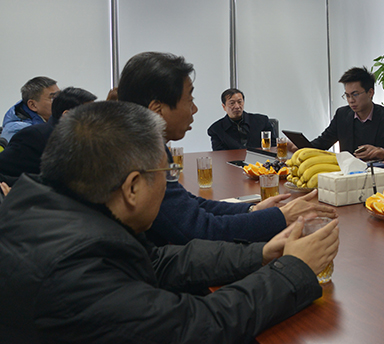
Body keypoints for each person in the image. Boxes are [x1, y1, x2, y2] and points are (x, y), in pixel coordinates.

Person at [0, 101, 338, 342]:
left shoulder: (53, 212)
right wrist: (293, 271)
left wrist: (262, 253)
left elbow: (157, 261)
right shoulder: (73, 272)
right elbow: (197, 326)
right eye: (167, 172)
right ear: (132, 187)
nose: (170, 184)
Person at [117, 52, 335, 245]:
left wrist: (252, 209)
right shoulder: (143, 158)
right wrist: (280, 218)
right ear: (157, 109)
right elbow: (200, 229)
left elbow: (191, 205)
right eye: (189, 99)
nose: (195, 108)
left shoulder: (142, 144)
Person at [0, 87, 96, 185]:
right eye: (89, 114)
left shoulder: (84, 138)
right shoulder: (33, 136)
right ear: (67, 115)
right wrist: (37, 187)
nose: (95, 119)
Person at [310, 66, 384, 161]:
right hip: (348, 171)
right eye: (347, 95)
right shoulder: (342, 115)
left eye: (355, 94)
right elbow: (321, 143)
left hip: (378, 170)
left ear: (370, 93)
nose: (351, 100)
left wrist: (381, 152)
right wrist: (301, 148)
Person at [208, 88, 276, 150]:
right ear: (224, 106)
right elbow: (220, 154)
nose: (237, 106)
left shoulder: (262, 121)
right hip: (232, 159)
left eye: (240, 102)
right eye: (232, 103)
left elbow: (273, 147)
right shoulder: (216, 129)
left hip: (260, 159)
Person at [1, 76, 59, 143]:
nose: (60, 101)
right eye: (53, 98)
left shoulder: (56, 122)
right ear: (33, 105)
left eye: (60, 96)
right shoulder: (18, 130)